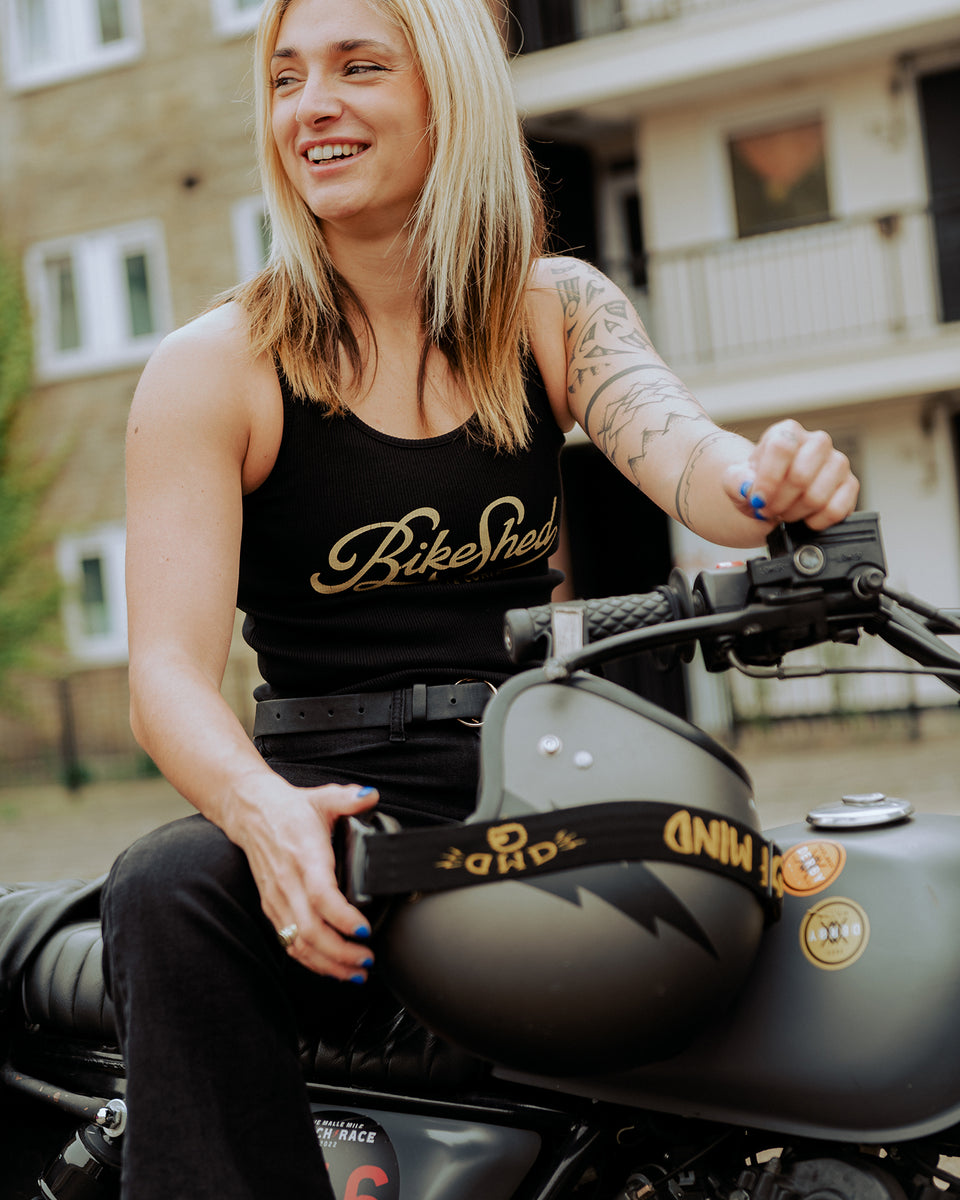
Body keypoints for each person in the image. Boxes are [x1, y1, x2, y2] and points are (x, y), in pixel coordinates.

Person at [101, 0, 860, 1195]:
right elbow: (164, 680)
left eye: (359, 67)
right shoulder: (218, 363)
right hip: (337, 808)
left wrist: (774, 482)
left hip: (538, 773)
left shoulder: (550, 305)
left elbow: (688, 457)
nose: (314, 106)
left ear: (446, 93)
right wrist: (259, 813)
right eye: (288, 77)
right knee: (167, 886)